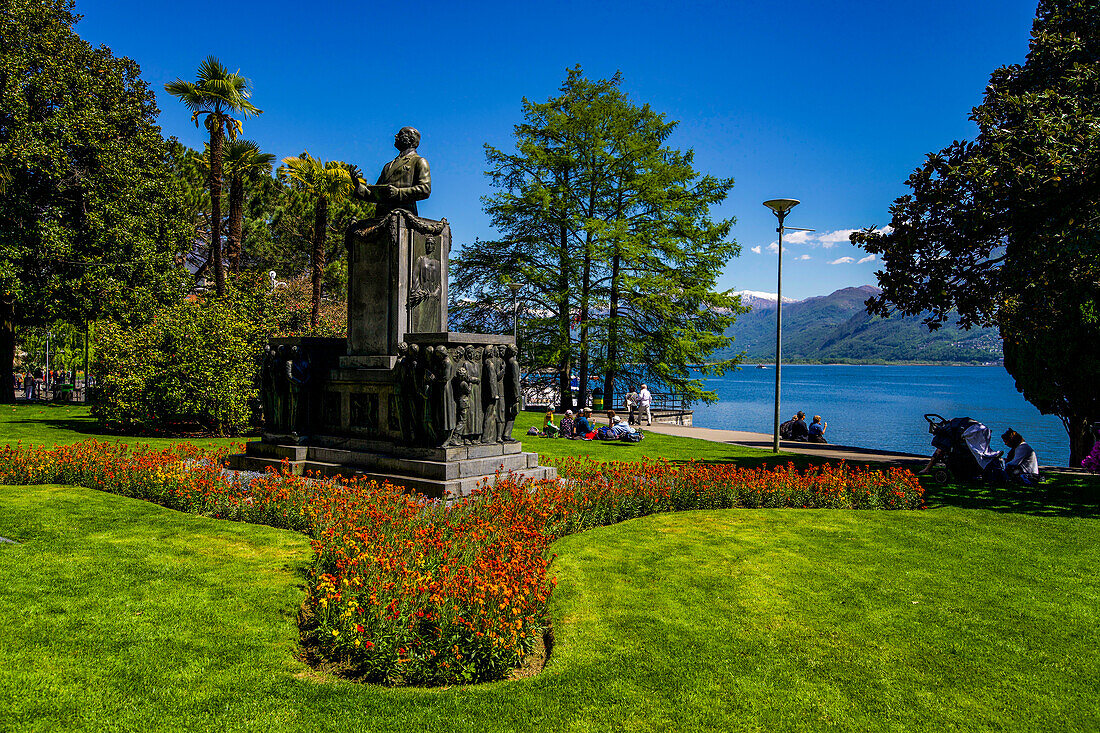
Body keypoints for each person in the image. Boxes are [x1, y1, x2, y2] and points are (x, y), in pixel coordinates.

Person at [350, 126, 431, 218]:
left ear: (411, 139)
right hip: (381, 217)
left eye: (400, 134)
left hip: (403, 217)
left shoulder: (419, 161)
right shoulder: (388, 166)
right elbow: (375, 194)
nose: (396, 136)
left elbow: (425, 189)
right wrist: (358, 185)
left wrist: (398, 192)